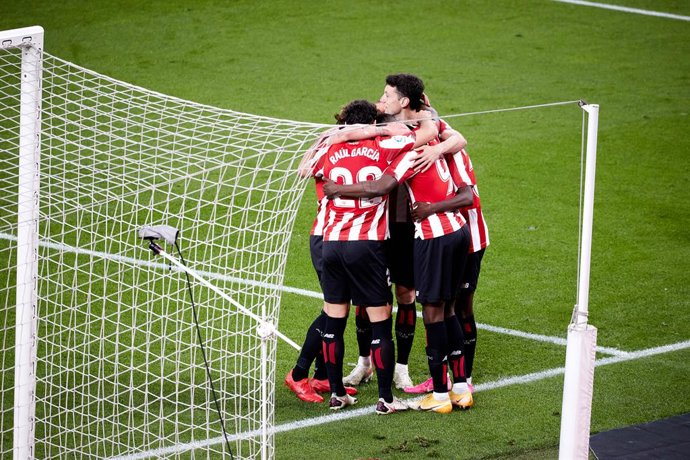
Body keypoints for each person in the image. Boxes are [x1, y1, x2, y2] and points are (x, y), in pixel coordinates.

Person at [323, 112, 475, 413]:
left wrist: (337, 188)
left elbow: (379, 186)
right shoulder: (440, 145)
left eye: (388, 95)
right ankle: (456, 387)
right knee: (443, 309)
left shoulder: (409, 150)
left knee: (428, 308)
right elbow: (464, 186)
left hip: (418, 235)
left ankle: (433, 389)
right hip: (452, 231)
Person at [343, 76, 468, 391]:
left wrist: (436, 149)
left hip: (409, 227)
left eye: (387, 96)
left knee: (407, 296)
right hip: (378, 225)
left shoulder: (424, 122)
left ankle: (401, 368)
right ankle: (364, 363)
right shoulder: (380, 121)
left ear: (406, 102)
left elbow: (457, 137)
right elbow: (346, 127)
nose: (381, 100)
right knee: (369, 297)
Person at [317, 99, 437, 415]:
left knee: (333, 321)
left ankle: (337, 395)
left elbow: (310, 167)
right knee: (381, 324)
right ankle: (386, 398)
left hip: (330, 243)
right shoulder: (386, 145)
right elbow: (424, 132)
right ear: (374, 122)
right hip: (366, 245)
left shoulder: (328, 148)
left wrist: (338, 134)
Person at [407, 147, 489, 395]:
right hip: (450, 235)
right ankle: (449, 378)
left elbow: (467, 198)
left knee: (457, 308)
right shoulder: (438, 150)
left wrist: (429, 208)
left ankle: (463, 379)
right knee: (442, 307)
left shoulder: (454, 155)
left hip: (467, 240)